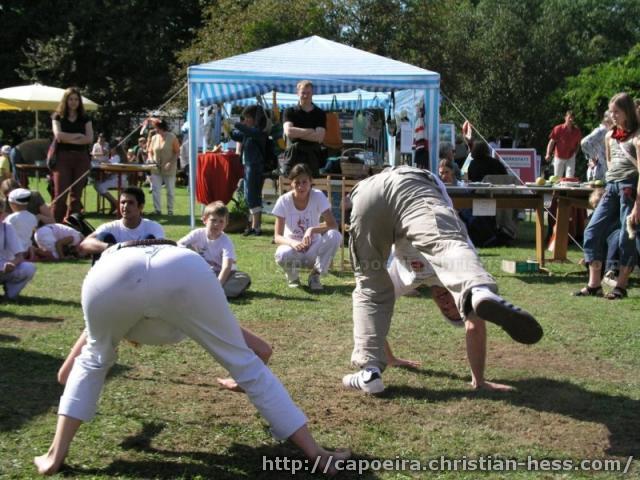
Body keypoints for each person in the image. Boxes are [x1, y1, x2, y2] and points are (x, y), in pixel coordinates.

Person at [33, 243, 349, 476]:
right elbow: (258, 353)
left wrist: (96, 356)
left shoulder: (115, 296)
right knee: (248, 367)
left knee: (93, 362)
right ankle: (317, 454)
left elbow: (70, 373)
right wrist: (242, 373)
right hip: (181, 270)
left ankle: (53, 456)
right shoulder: (192, 298)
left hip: (111, 275)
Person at [341, 166, 543, 394]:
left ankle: (370, 372)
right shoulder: (461, 268)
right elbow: (474, 324)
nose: (447, 304)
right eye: (455, 307)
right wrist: (479, 379)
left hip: (369, 194)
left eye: (446, 311)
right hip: (413, 185)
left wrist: (387, 358)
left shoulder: (406, 278)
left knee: (371, 289)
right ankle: (479, 292)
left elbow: (375, 311)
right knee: (448, 245)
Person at [574, 92, 640, 300]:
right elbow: (610, 165)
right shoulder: (609, 136)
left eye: (616, 112)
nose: (613, 116)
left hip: (630, 189)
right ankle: (594, 285)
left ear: (627, 112)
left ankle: (621, 286)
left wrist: (637, 204)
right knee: (593, 230)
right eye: (611, 112)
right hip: (612, 187)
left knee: (625, 237)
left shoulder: (637, 137)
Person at [273, 163, 341, 291]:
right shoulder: (283, 201)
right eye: (297, 182)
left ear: (311, 182)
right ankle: (293, 277)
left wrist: (311, 230)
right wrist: (292, 242)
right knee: (282, 254)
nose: (301, 186)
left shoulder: (318, 195)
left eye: (304, 182)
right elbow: (277, 237)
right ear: (291, 183)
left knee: (335, 235)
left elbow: (333, 225)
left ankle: (315, 275)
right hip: (293, 250)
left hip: (313, 249)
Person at [178, 201, 251, 298]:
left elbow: (226, 267)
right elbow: (178, 245)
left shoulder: (226, 241)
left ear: (226, 224)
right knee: (183, 249)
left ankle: (209, 290)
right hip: (202, 272)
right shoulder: (197, 233)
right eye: (213, 220)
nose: (217, 224)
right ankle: (204, 289)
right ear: (205, 220)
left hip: (223, 274)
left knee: (243, 278)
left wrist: (217, 286)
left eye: (221, 221)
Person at [77, 187, 164, 259]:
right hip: (112, 273)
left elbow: (163, 251)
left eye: (130, 203)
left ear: (141, 207)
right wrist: (111, 247)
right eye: (122, 202)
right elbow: (84, 245)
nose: (125, 206)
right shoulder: (111, 227)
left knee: (147, 239)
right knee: (104, 237)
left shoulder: (153, 227)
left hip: (140, 272)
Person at [51, 87, 94, 223]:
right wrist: (78, 136)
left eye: (76, 99)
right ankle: (55, 225)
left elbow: (89, 138)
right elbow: (58, 136)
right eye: (71, 99)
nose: (74, 102)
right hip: (62, 158)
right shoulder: (57, 117)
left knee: (76, 196)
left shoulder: (85, 118)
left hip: (81, 158)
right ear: (66, 100)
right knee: (61, 195)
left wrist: (67, 137)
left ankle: (73, 225)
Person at [230, 105, 267, 236]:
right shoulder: (251, 131)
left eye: (247, 118)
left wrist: (236, 124)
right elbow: (237, 136)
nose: (245, 121)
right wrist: (228, 129)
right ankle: (253, 225)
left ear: (255, 119)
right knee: (249, 196)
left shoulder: (259, 131)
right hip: (249, 166)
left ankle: (256, 227)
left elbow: (244, 130)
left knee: (252, 196)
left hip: (255, 166)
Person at [283, 80, 326, 177]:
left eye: (308, 93)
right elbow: (289, 132)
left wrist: (297, 132)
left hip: (312, 159)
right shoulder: (289, 111)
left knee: (311, 189)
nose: (306, 96)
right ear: (297, 93)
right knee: (290, 188)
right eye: (303, 93)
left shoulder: (320, 113)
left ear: (312, 93)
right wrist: (310, 131)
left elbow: (319, 137)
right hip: (292, 157)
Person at [147, 118, 179, 215]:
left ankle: (170, 210)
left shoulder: (172, 137)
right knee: (156, 190)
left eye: (156, 127)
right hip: (156, 168)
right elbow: (150, 151)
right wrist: (151, 158)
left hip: (169, 168)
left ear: (161, 127)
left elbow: (177, 152)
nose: (155, 129)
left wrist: (170, 162)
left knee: (170, 190)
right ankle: (157, 210)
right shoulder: (154, 138)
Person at [0, 219, 36, 300]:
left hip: (4, 269)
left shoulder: (7, 227)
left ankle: (10, 295)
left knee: (28, 268)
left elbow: (20, 256)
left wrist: (12, 264)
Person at [545, 110, 582, 178]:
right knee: (557, 178)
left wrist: (574, 154)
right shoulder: (558, 128)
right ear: (565, 118)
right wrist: (548, 153)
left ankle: (567, 188)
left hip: (570, 156)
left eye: (572, 118)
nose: (571, 119)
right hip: (559, 156)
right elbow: (551, 142)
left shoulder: (577, 131)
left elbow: (578, 144)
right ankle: (557, 189)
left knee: (570, 178)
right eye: (569, 117)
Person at [5, 188, 38, 258]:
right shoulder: (33, 217)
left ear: (13, 204)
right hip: (25, 250)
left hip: (13, 252)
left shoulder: (11, 218)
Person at [94, 143, 126, 214]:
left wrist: (98, 161)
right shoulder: (114, 157)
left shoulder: (117, 157)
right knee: (97, 184)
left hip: (119, 180)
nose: (109, 150)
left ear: (115, 148)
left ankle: (115, 203)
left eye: (110, 148)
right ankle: (113, 203)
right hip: (114, 179)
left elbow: (108, 164)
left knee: (100, 186)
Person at [581, 111, 613, 181]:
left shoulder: (608, 131)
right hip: (599, 171)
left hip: (603, 169)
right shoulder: (602, 130)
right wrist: (592, 158)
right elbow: (584, 142)